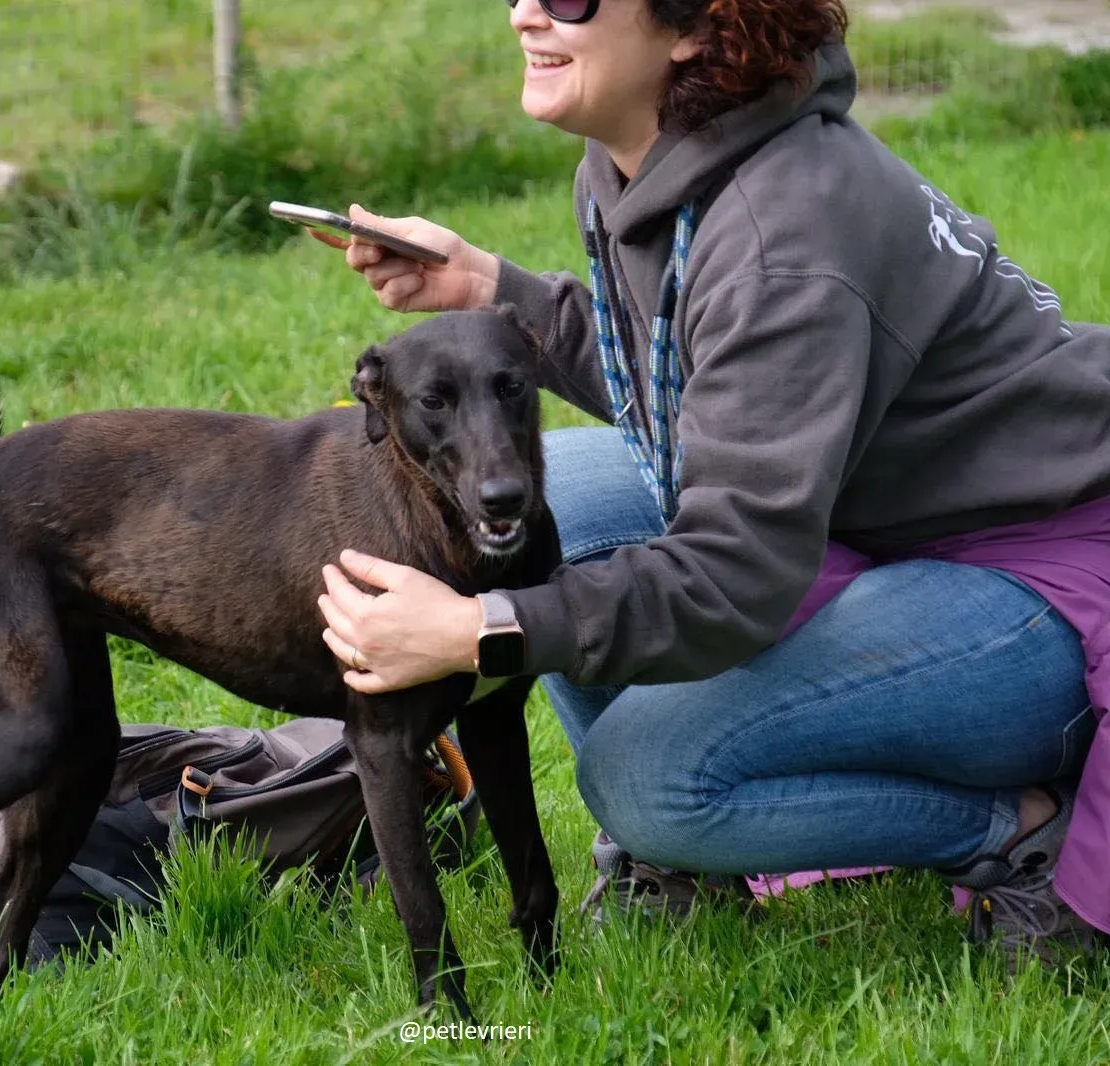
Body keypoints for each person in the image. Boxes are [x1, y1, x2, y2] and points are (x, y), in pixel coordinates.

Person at [313, 0, 1110, 972]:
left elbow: (732, 574)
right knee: (566, 502)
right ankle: (682, 856)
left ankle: (1013, 832)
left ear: (692, 27)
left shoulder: (786, 232)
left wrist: (480, 629)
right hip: (879, 518)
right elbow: (686, 379)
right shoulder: (643, 163)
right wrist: (487, 286)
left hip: (1047, 569)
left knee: (648, 778)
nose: (526, 12)